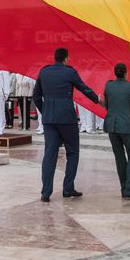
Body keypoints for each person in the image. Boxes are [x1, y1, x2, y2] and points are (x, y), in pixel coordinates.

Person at [33, 47, 99, 201]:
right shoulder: (70, 72)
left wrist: (46, 110)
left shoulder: (44, 72)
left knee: (50, 155)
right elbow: (84, 89)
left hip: (49, 119)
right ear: (66, 59)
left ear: (54, 58)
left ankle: (46, 192)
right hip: (67, 118)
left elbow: (36, 96)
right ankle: (68, 188)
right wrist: (97, 100)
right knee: (73, 152)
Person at [102, 63, 130, 199]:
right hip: (126, 125)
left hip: (112, 125)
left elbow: (107, 105)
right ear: (126, 73)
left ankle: (124, 188)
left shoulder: (109, 85)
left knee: (119, 158)